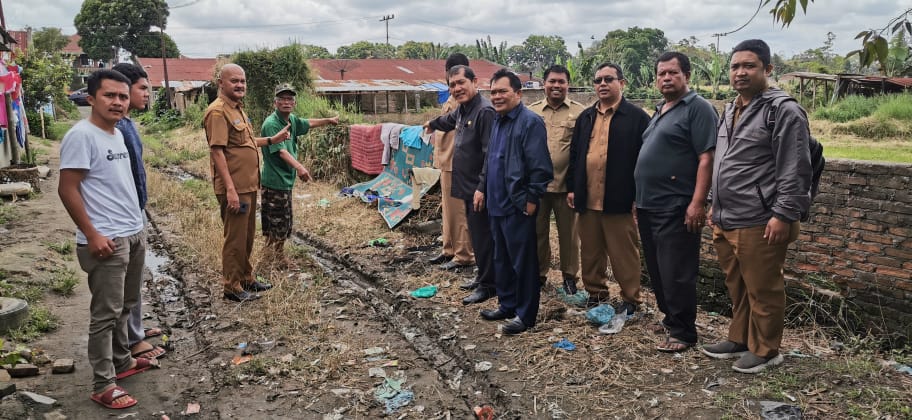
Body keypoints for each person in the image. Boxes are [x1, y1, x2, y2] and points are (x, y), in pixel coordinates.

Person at [701, 39, 812, 373]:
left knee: (763, 288)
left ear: (767, 69)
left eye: (749, 66)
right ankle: (739, 338)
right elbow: (723, 162)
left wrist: (783, 214)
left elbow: (795, 167)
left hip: (760, 218)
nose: (740, 72)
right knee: (737, 286)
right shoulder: (731, 108)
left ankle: (766, 349)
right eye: (735, 66)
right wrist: (711, 203)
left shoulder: (783, 110)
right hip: (725, 216)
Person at [59, 69, 158, 409]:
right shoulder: (82, 135)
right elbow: (67, 188)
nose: (117, 102)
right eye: (109, 96)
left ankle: (123, 361)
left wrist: (138, 227)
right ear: (91, 99)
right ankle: (104, 383)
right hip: (106, 239)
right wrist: (92, 233)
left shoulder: (116, 134)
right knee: (106, 313)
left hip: (131, 232)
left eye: (122, 96)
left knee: (127, 305)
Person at [634, 52, 717, 352]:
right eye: (661, 73)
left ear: (687, 75)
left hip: (676, 205)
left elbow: (706, 158)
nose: (666, 78)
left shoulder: (698, 109)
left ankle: (684, 333)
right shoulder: (661, 110)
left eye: (672, 73)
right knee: (657, 269)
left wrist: (698, 202)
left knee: (677, 270)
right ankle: (671, 319)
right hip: (648, 204)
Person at [566, 62, 650, 313]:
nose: (602, 84)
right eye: (598, 80)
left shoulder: (637, 118)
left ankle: (630, 300)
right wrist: (572, 187)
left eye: (608, 79)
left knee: (623, 254)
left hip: (619, 199)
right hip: (587, 197)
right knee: (591, 253)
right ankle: (596, 294)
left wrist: (638, 197)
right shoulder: (586, 117)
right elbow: (575, 154)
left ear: (621, 83)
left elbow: (644, 160)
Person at [204, 63, 290, 302]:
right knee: (235, 237)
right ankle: (232, 286)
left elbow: (247, 142)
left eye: (242, 81)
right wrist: (230, 189)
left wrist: (273, 139)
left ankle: (246, 278)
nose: (240, 85)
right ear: (221, 83)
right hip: (235, 188)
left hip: (249, 186)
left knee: (248, 235)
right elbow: (217, 152)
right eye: (234, 81)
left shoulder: (237, 110)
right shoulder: (218, 112)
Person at [479, 69, 553, 334]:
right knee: (502, 258)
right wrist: (483, 189)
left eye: (503, 91)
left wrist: (531, 199)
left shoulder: (530, 122)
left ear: (518, 94)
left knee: (523, 262)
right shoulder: (498, 121)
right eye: (494, 92)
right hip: (497, 204)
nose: (497, 97)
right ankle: (507, 304)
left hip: (518, 204)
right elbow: (491, 160)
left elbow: (541, 167)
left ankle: (526, 314)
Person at [425, 65, 496, 305]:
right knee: (477, 235)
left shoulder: (484, 111)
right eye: (452, 85)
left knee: (484, 237)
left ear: (474, 82)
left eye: (460, 83)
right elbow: (447, 120)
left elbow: (490, 154)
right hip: (466, 186)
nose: (456, 88)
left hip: (479, 188)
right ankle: (482, 277)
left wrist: (482, 187)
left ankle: (488, 285)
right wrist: (432, 123)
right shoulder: (463, 110)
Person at [111, 62, 166, 361]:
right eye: (143, 88)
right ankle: (131, 341)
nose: (148, 94)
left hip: (135, 210)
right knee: (124, 284)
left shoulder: (128, 124)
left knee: (134, 281)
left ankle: (136, 331)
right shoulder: (117, 128)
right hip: (123, 217)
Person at [259, 83, 339, 271]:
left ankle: (270, 256)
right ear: (275, 102)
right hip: (274, 181)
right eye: (282, 99)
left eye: (290, 99)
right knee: (278, 222)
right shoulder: (271, 124)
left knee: (280, 221)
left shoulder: (291, 120)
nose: (286, 102)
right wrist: (300, 167)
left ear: (294, 103)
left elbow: (307, 123)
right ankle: (276, 258)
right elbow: (280, 152)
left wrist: (328, 120)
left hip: (284, 181)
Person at [529, 65, 585, 294]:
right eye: (552, 81)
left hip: (566, 187)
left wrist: (577, 186)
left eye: (561, 82)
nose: (556, 85)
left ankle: (569, 277)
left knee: (569, 236)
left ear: (567, 85)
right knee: (537, 232)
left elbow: (582, 151)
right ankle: (539, 275)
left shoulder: (581, 113)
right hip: (538, 187)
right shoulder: (531, 112)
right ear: (544, 84)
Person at [430, 54, 477, 274]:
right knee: (448, 210)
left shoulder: (464, 99)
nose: (455, 85)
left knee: (458, 212)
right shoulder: (451, 96)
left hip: (456, 162)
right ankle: (449, 249)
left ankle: (464, 255)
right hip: (445, 162)